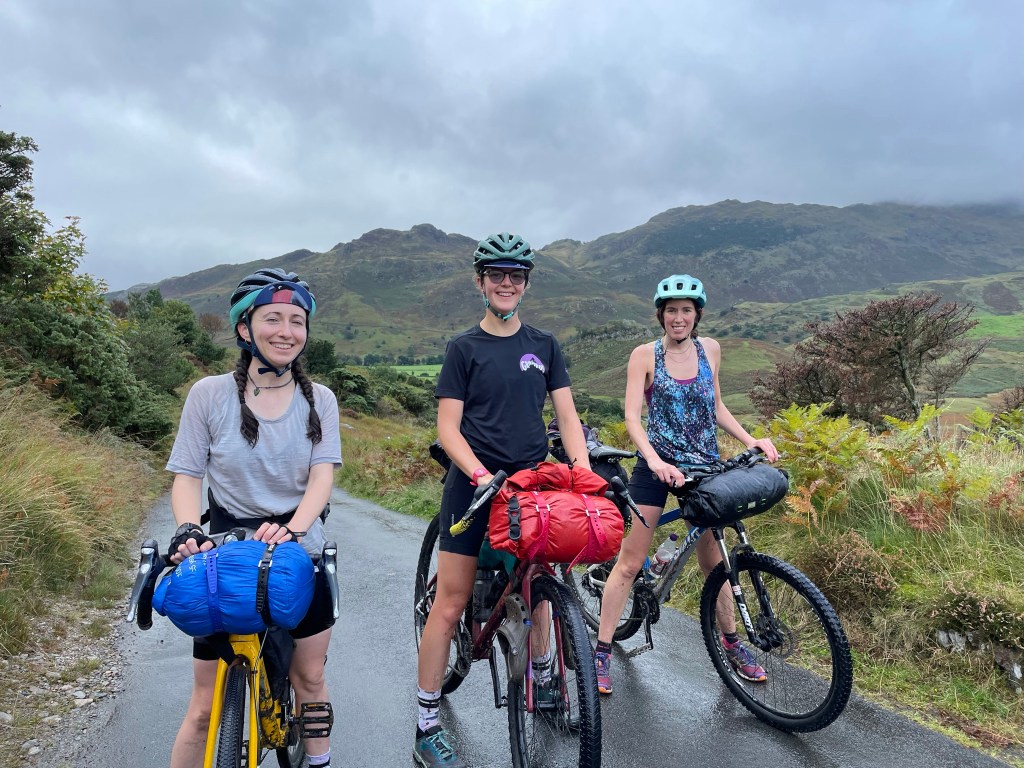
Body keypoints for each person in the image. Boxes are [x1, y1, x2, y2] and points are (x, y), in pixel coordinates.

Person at [414, 233, 592, 768]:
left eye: (516, 276)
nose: (506, 283)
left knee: (538, 586)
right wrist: (479, 473)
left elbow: (566, 417)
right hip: (473, 485)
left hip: (532, 486)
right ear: (480, 282)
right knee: (450, 602)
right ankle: (426, 723)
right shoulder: (463, 348)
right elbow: (448, 427)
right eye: (496, 275)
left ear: (526, 284)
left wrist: (582, 475)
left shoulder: (545, 345)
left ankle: (544, 680)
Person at [165, 268, 342, 768]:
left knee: (309, 678)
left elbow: (322, 479)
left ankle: (319, 760)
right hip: (224, 540)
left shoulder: (319, 399)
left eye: (297, 321)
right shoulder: (209, 394)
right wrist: (188, 529)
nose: (287, 331)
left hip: (297, 537)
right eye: (273, 319)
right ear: (245, 329)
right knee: (203, 707)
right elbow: (187, 476)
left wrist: (294, 530)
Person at [593, 273, 779, 695]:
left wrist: (752, 439)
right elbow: (631, 420)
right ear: (661, 314)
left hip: (705, 469)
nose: (679, 318)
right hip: (656, 468)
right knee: (629, 561)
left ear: (697, 315)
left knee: (717, 563)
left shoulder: (710, 349)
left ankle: (732, 644)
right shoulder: (644, 355)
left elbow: (715, 405)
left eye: (687, 311)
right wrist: (656, 462)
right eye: (672, 311)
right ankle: (602, 651)